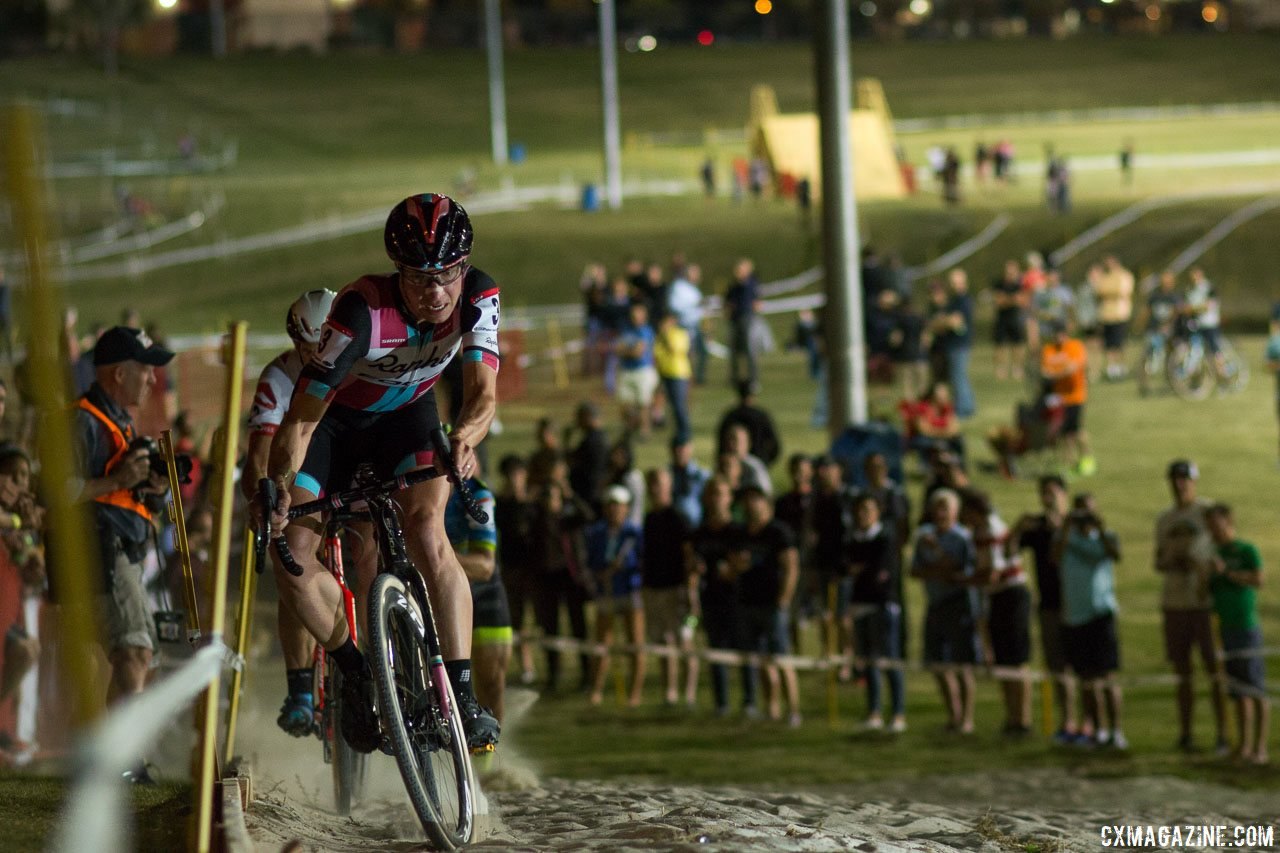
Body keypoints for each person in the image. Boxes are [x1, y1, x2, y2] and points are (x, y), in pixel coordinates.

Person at [260, 193, 501, 755]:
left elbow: (482, 392)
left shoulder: (480, 295)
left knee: (427, 533)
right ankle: (358, 671)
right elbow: (300, 419)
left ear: (464, 268)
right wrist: (276, 489)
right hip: (333, 427)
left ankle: (462, 697)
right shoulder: (361, 313)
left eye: (447, 275)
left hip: (409, 417)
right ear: (398, 271)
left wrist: (464, 438)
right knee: (290, 553)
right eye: (419, 277)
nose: (436, 292)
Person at [75, 327, 174, 781]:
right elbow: (50, 491)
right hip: (100, 547)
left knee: (134, 655)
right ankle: (120, 763)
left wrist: (149, 488)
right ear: (120, 373)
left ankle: (106, 759)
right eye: (146, 369)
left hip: (126, 550)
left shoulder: (121, 419)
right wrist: (115, 482)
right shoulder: (82, 421)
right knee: (133, 653)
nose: (153, 380)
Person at [242, 289, 337, 736]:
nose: (321, 353)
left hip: (345, 463)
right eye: (311, 345)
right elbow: (261, 452)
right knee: (292, 565)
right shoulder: (278, 378)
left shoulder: (356, 360)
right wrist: (265, 497)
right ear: (297, 344)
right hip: (299, 474)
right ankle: (300, 687)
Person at [1154, 459, 1228, 754]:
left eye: (1185, 479)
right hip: (1174, 602)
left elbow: (1222, 548)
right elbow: (1158, 559)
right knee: (1182, 672)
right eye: (1175, 479)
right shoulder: (1164, 519)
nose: (1180, 484)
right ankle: (1186, 733)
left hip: (1203, 603)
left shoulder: (1206, 513)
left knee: (1215, 669)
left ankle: (1223, 733)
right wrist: (1172, 560)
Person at [1008, 474, 1079, 744]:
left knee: (1082, 667)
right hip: (1050, 605)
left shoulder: (1076, 523)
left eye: (1052, 492)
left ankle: (1089, 723)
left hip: (1078, 604)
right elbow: (1009, 552)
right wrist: (1017, 527)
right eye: (1043, 493)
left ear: (1064, 493)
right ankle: (1067, 720)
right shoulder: (1036, 527)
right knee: (1057, 666)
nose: (1047, 498)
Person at [1055, 493, 1127, 749]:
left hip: (1101, 613)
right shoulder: (1065, 538)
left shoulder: (1106, 538)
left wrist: (1100, 526)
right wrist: (1065, 526)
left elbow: (1115, 554)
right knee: (1086, 678)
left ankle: (1116, 731)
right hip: (1075, 616)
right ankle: (1096, 730)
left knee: (1107, 676)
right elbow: (1055, 557)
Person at [731, 485, 801, 726]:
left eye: (755, 499)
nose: (751, 505)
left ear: (766, 503)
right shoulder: (742, 534)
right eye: (747, 500)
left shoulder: (778, 532)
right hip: (749, 602)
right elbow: (735, 566)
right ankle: (771, 708)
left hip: (773, 604)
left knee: (781, 657)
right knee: (760, 660)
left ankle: (793, 710)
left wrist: (784, 599)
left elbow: (791, 566)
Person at [962, 489, 1031, 737]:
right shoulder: (980, 531)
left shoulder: (990, 530)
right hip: (997, 596)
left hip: (1010, 595)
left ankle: (1022, 718)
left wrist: (961, 579)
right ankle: (1012, 717)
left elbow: (992, 572)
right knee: (1004, 660)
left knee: (1015, 659)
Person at [911, 488, 979, 735]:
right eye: (937, 508)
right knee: (936, 663)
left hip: (958, 604)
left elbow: (958, 571)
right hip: (935, 603)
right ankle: (953, 715)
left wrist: (938, 558)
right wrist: (940, 570)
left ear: (955, 512)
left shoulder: (962, 538)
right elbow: (916, 571)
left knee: (962, 665)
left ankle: (967, 719)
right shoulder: (923, 536)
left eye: (945, 508)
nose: (940, 513)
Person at [1205, 503, 1268, 765]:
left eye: (1215, 524)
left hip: (1246, 626)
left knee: (1255, 689)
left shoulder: (1246, 550)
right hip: (1225, 627)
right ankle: (1243, 746)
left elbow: (1259, 580)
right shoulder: (1214, 554)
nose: (1212, 531)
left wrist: (1227, 573)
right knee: (1238, 690)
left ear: (1227, 522)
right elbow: (1207, 591)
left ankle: (1260, 748)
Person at [446, 471, 511, 725]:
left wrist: (438, 555)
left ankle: (489, 759)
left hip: (483, 591)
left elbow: (485, 566)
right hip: (441, 593)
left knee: (492, 684)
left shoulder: (476, 493)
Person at [690, 477, 752, 716]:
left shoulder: (738, 531)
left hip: (738, 599)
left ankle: (749, 701)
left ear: (729, 499)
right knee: (716, 651)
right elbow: (692, 563)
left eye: (721, 493)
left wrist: (733, 570)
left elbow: (745, 563)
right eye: (712, 494)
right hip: (710, 599)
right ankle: (722, 703)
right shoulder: (700, 533)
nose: (716, 499)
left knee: (745, 651)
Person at [845, 492, 905, 732]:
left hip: (882, 606)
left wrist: (860, 570)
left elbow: (879, 574)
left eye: (868, 510)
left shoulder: (886, 539)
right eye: (860, 510)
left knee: (889, 659)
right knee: (868, 661)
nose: (863, 515)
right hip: (860, 605)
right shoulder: (853, 539)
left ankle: (898, 713)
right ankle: (874, 712)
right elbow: (846, 566)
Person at [640, 468, 697, 707]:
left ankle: (690, 693)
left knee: (684, 641)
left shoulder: (678, 518)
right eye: (652, 483)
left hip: (678, 590)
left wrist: (691, 591)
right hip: (654, 589)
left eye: (660, 483)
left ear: (669, 486)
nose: (655, 488)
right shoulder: (649, 519)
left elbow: (689, 556)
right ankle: (670, 692)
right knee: (663, 643)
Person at [584, 485, 645, 707]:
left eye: (618, 506)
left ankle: (634, 694)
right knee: (602, 643)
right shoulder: (597, 533)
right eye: (611, 506)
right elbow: (590, 562)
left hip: (630, 590)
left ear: (626, 508)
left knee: (635, 643)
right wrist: (600, 574)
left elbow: (643, 561)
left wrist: (626, 568)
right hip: (607, 592)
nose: (614, 510)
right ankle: (597, 689)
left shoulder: (634, 533)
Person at [495, 454, 537, 686]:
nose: (514, 480)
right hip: (511, 568)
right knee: (517, 619)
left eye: (518, 474)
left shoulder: (531, 503)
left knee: (537, 619)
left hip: (533, 568)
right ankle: (526, 666)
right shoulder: (500, 504)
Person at [1039, 320, 1095, 476]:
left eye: (1061, 334)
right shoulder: (1049, 350)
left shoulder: (1075, 346)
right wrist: (1059, 373)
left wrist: (1055, 374)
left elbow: (1074, 367)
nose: (1059, 338)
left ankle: (1087, 459)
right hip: (1058, 399)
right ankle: (1068, 463)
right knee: (1063, 434)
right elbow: (1044, 371)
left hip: (1075, 396)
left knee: (1075, 431)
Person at [615, 301, 658, 439]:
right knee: (624, 403)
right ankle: (631, 427)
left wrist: (625, 351)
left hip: (643, 371)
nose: (636, 316)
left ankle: (644, 431)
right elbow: (617, 349)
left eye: (639, 313)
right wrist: (628, 350)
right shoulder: (626, 330)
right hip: (626, 371)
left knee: (643, 404)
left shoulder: (645, 331)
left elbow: (638, 352)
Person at [716, 381, 780, 468]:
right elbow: (775, 446)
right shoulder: (761, 416)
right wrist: (765, 462)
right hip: (757, 460)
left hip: (733, 465)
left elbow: (720, 445)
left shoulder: (731, 416)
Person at [653, 312, 693, 446]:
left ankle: (685, 432)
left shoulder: (680, 334)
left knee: (679, 405)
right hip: (665, 374)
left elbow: (675, 350)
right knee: (672, 405)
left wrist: (666, 335)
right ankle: (678, 431)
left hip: (679, 374)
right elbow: (656, 353)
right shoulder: (660, 337)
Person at [1094, 255, 1134, 381]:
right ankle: (1112, 368)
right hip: (1106, 315)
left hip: (1120, 315)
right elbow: (1099, 292)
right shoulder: (1104, 277)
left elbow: (1121, 292)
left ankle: (1121, 367)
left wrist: (1107, 292)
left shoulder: (1124, 275)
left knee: (1119, 343)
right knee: (1109, 344)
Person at [667, 263, 708, 385]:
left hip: (696, 325)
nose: (697, 276)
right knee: (686, 353)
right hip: (683, 326)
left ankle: (697, 378)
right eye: (694, 273)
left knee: (701, 352)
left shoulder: (694, 289)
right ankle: (687, 377)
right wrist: (694, 305)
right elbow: (674, 306)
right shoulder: (678, 287)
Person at [724, 259, 761, 392]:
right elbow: (728, 301)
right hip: (735, 320)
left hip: (747, 319)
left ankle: (753, 379)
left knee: (750, 350)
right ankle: (734, 378)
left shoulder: (751, 283)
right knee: (733, 351)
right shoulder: (733, 286)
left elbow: (756, 301)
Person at [567, 401, 609, 513]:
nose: (577, 422)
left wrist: (567, 440)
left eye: (579, 417)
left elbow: (572, 461)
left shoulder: (593, 440)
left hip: (588, 491)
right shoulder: (600, 437)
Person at [991, 259, 1027, 382]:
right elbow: (999, 302)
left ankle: (1017, 368)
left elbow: (1022, 301)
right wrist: (1013, 299)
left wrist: (1008, 300)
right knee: (1000, 345)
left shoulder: (1020, 285)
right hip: (1002, 319)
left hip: (1015, 318)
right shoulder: (999, 284)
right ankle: (1001, 369)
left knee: (1017, 345)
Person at [669, 437, 711, 527]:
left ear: (690, 449)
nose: (679, 452)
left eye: (682, 448)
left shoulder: (701, 475)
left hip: (697, 522)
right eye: (676, 448)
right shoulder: (667, 475)